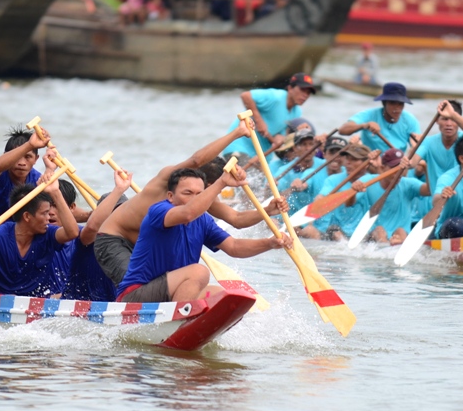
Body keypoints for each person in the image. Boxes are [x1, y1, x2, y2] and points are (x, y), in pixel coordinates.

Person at [96, 124, 288, 287]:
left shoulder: (201, 197)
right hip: (114, 239)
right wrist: (237, 133)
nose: (206, 195)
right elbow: (197, 160)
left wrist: (267, 211)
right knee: (136, 287)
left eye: (205, 191)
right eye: (212, 187)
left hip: (143, 247)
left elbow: (236, 219)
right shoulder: (168, 178)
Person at [116, 167, 290, 303]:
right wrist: (222, 182)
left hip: (171, 293)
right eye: (187, 193)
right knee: (199, 272)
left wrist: (270, 243)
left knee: (227, 298)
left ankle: (186, 327)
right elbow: (188, 213)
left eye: (200, 194)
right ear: (170, 196)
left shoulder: (203, 220)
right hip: (135, 295)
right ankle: (177, 322)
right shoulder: (159, 210)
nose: (195, 199)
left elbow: (234, 247)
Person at [0, 164, 80, 296]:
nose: (49, 217)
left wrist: (55, 193)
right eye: (44, 213)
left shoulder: (47, 233)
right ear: (27, 216)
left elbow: (72, 233)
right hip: (1, 302)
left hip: (38, 302)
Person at [58, 169, 130, 301]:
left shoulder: (130, 244)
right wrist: (119, 190)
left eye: (121, 215)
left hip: (109, 307)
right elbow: (92, 226)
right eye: (112, 214)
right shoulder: (87, 239)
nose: (117, 220)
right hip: (75, 306)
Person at [222, 72, 317, 162]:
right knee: (245, 178)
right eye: (302, 90)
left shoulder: (297, 113)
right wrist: (259, 122)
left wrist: (297, 134)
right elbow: (246, 96)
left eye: (308, 92)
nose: (305, 95)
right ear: (290, 88)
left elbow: (279, 138)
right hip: (238, 146)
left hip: (260, 157)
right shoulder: (276, 96)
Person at [411, 100, 463, 218]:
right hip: (438, 203)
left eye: (453, 119)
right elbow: (412, 163)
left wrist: (452, 114)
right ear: (437, 121)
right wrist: (407, 161)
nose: (449, 123)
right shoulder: (427, 142)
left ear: (459, 121)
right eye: (444, 119)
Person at [360, 148, 426, 245]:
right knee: (379, 230)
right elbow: (350, 203)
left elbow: (430, 191)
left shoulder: (408, 184)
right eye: (394, 168)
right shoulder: (368, 181)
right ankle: (387, 248)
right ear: (382, 168)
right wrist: (356, 186)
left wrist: (427, 168)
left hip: (400, 236)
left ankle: (394, 249)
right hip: (372, 237)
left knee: (401, 231)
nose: (398, 172)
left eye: (401, 167)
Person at [0, 126, 48, 215]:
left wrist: (50, 170)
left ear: (36, 159)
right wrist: (30, 145)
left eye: (28, 157)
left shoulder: (38, 180)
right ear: (5, 156)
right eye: (17, 157)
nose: (22, 163)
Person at [339, 81, 420, 153]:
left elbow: (419, 147)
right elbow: (342, 130)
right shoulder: (369, 115)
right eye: (392, 103)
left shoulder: (410, 120)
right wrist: (364, 126)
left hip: (396, 163)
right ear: (384, 103)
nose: (397, 108)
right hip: (370, 163)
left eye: (400, 103)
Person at [275, 129, 327, 214]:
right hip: (293, 215)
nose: (308, 148)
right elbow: (273, 195)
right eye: (304, 144)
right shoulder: (284, 171)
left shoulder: (325, 165)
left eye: (311, 144)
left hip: (319, 214)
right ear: (295, 148)